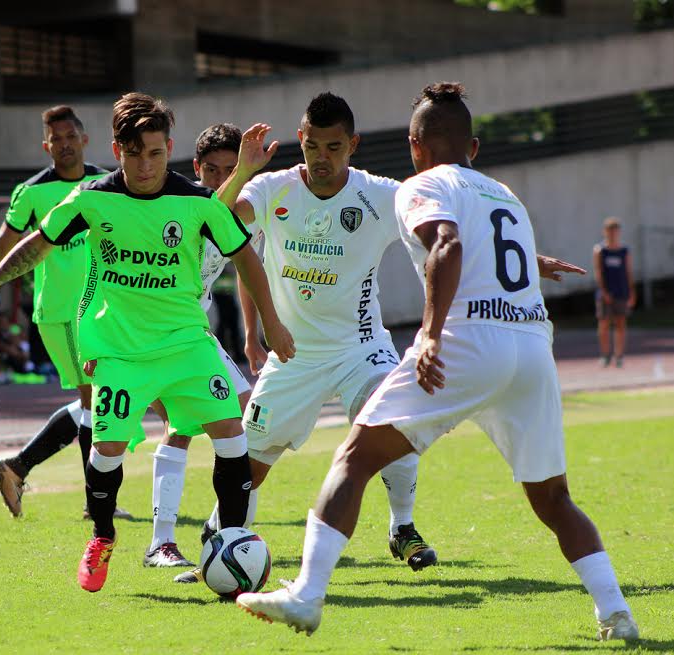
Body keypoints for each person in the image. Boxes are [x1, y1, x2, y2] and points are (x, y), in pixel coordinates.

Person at [235, 82, 639, 644]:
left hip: (470, 344)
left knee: (353, 457)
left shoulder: (421, 184)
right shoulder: (503, 193)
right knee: (553, 498)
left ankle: (306, 594)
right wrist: (533, 262)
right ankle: (616, 614)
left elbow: (446, 242)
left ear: (414, 145)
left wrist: (428, 335)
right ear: (471, 147)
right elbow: (486, 247)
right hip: (530, 349)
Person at [0, 92, 294, 594]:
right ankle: (103, 537)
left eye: (155, 153)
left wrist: (271, 325)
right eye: (135, 154)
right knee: (106, 449)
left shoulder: (194, 202)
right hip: (120, 352)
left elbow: (245, 258)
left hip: (186, 345)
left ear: (169, 148)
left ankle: (232, 539)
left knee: (233, 435)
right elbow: (35, 246)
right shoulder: (92, 198)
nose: (146, 164)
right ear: (117, 150)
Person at [180, 93, 438, 585]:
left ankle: (402, 528)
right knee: (248, 465)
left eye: (334, 147)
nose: (322, 158)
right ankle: (221, 544)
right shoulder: (271, 188)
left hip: (361, 347)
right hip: (293, 355)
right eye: (313, 145)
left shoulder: (380, 195)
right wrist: (243, 171)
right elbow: (214, 223)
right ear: (300, 140)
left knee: (394, 428)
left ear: (353, 145)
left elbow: (443, 231)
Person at [0, 105, 128, 520]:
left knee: (107, 400)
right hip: (63, 313)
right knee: (95, 399)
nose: (64, 144)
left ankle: (17, 467)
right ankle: (95, 503)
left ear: (84, 139)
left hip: (105, 311)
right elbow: (1, 244)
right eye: (55, 139)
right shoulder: (32, 193)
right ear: (46, 145)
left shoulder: (104, 185)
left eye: (70, 136)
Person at [144, 123, 259, 568]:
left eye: (230, 169)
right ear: (196, 168)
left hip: (192, 332)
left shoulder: (243, 210)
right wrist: (245, 173)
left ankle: (220, 530)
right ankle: (165, 541)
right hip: (156, 331)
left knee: (247, 415)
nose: (219, 178)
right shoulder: (188, 202)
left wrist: (252, 335)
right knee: (185, 424)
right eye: (212, 170)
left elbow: (249, 270)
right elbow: (214, 210)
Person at [593, 217, 635, 368]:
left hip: (621, 291)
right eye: (610, 231)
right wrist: (604, 291)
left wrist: (632, 292)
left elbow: (628, 272)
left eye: (615, 231)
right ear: (605, 232)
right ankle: (605, 355)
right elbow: (598, 272)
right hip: (606, 293)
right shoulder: (600, 250)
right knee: (604, 324)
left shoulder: (624, 251)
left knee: (621, 324)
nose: (613, 234)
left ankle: (619, 356)